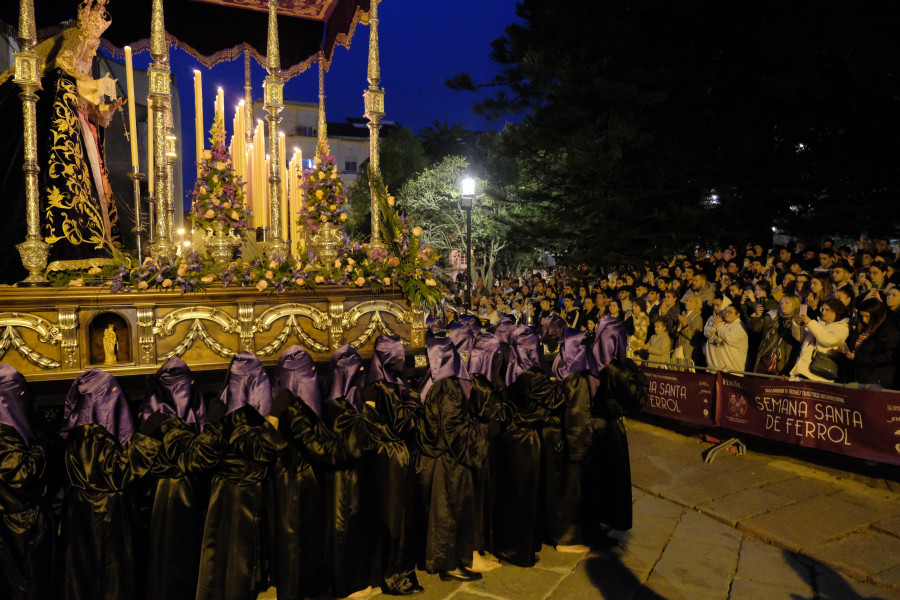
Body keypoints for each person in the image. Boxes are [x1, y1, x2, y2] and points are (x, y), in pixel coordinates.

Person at [0, 0, 124, 283]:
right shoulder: (59, 81)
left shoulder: (73, 82)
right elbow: (60, 113)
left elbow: (86, 114)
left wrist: (101, 114)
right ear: (75, 47)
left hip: (82, 146)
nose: (93, 54)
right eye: (90, 47)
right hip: (62, 151)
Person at [58, 369, 163, 600]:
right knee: (111, 580)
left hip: (82, 518)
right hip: (107, 519)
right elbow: (119, 473)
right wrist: (146, 435)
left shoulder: (78, 433)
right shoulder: (93, 436)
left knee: (86, 577)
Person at [196, 351, 285, 600]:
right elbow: (264, 449)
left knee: (223, 550)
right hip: (246, 488)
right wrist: (274, 417)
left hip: (224, 487)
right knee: (240, 554)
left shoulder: (223, 417)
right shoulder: (248, 424)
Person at [140, 358, 225, 600]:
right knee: (180, 557)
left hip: (162, 494)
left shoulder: (153, 415)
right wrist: (213, 425)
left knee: (164, 555)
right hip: (182, 493)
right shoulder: (171, 424)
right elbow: (197, 460)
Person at [268, 345, 336, 600]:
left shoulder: (285, 400)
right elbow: (313, 445)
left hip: (293, 477)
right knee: (296, 540)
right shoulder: (295, 409)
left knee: (299, 539)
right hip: (296, 477)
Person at [417, 335, 487, 582]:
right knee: (450, 511)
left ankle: (448, 561)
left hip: (443, 459)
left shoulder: (436, 383)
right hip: (450, 462)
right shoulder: (447, 387)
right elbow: (453, 429)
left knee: (445, 510)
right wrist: (480, 437)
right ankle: (450, 564)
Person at [360, 335, 424, 595]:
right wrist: (414, 404)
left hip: (389, 456)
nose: (403, 358)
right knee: (395, 517)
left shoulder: (387, 383)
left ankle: (385, 573)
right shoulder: (385, 387)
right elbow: (402, 424)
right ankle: (395, 576)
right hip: (391, 458)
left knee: (393, 516)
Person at [0, 365, 56, 600]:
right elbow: (24, 476)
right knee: (29, 587)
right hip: (19, 526)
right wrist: (45, 443)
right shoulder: (4, 436)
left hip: (17, 523)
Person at [321, 345, 373, 598]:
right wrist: (369, 409)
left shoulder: (341, 401)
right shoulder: (336, 404)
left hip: (352, 475)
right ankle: (345, 586)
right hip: (342, 477)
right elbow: (353, 443)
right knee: (342, 527)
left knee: (354, 526)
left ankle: (355, 580)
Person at [840, 298, 900, 388]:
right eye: (862, 316)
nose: (864, 320)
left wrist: (858, 357)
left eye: (867, 316)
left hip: (875, 380)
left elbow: (887, 357)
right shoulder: (862, 327)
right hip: (858, 376)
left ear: (876, 315)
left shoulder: (888, 331)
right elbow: (856, 348)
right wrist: (846, 351)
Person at [789, 297, 850, 382]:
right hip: (803, 372)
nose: (822, 312)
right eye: (822, 309)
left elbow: (827, 340)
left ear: (836, 311)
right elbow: (800, 338)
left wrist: (810, 322)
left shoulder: (842, 328)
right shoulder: (818, 324)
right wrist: (798, 325)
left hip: (819, 376)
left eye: (826, 309)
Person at [748, 295, 802, 375]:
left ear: (795, 305)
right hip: (765, 360)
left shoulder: (798, 323)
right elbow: (756, 330)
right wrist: (757, 316)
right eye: (781, 303)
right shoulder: (773, 319)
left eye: (786, 303)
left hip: (783, 364)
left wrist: (787, 371)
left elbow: (796, 347)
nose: (783, 305)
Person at [703, 304, 749, 372]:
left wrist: (718, 325)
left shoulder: (740, 326)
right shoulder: (720, 322)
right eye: (725, 311)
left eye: (730, 312)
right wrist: (715, 326)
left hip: (731, 372)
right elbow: (706, 333)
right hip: (713, 369)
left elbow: (729, 338)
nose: (726, 314)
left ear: (738, 314)